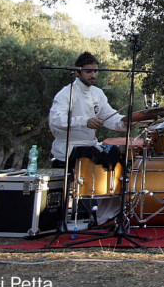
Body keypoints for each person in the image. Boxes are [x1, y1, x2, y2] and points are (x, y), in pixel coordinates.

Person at [48, 52, 132, 225]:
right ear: (78, 72)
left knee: (115, 154)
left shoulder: (98, 93)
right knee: (92, 154)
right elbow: (56, 120)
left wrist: (125, 123)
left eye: (95, 71)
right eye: (88, 72)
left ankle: (106, 215)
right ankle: (86, 209)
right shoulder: (66, 94)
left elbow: (109, 117)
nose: (93, 75)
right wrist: (84, 122)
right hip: (68, 146)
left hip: (91, 144)